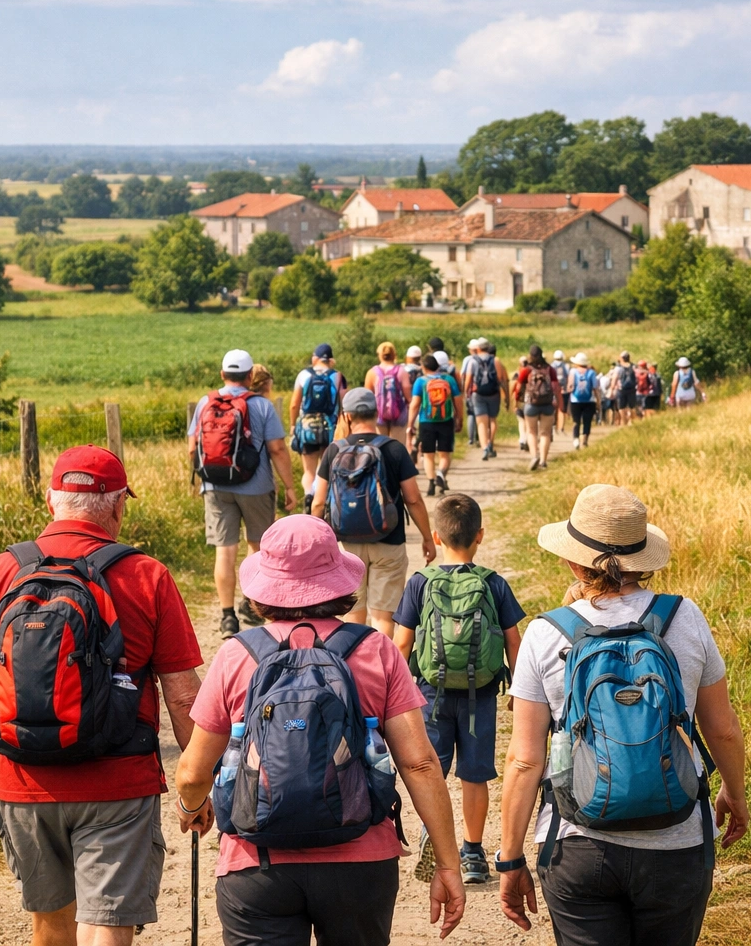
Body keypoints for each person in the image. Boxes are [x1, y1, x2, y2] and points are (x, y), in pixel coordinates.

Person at [0, 446, 205, 946]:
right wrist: (197, 788)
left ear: (51, 501)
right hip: (118, 786)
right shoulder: (147, 575)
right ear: (116, 506)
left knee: (51, 925)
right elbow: (183, 695)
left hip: (23, 782)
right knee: (105, 925)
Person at [174, 515, 467, 946]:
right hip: (360, 861)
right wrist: (448, 864)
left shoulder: (236, 656)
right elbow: (420, 763)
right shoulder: (376, 650)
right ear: (339, 582)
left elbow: (192, 772)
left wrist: (191, 805)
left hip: (256, 865)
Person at [496, 484, 750, 946]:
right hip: (677, 842)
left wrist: (510, 859)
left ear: (574, 562)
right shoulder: (685, 617)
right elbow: (723, 730)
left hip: (577, 845)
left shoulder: (545, 634)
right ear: (642, 560)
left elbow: (524, 760)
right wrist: (735, 793)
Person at [393, 493, 524, 888]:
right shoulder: (493, 584)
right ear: (480, 535)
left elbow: (401, 643)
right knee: (474, 775)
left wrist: (394, 697)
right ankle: (472, 852)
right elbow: (514, 640)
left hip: (430, 695)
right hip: (480, 696)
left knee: (428, 769)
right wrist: (518, 687)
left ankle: (435, 834)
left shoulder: (420, 582)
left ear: (435, 534)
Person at [312, 387, 437, 636]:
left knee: (352, 614)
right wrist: (426, 537)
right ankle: (380, 672)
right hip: (388, 540)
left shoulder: (334, 451)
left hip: (346, 544)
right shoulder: (394, 449)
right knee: (383, 616)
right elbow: (413, 500)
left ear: (347, 416)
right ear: (377, 412)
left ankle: (355, 670)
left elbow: (318, 502)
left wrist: (317, 544)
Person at [190, 349, 298, 635]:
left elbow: (192, 448)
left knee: (224, 551)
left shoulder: (205, 402)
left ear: (222, 374)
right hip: (256, 486)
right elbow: (276, 449)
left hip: (214, 486)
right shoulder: (261, 406)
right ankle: (252, 604)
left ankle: (227, 617)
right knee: (257, 548)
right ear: (250, 376)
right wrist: (289, 485)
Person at [290, 344, 348, 511]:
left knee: (309, 470)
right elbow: (344, 404)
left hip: (308, 428)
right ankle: (322, 501)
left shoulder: (304, 375)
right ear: (330, 360)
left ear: (315, 358)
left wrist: (293, 425)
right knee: (326, 466)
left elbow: (294, 404)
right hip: (330, 428)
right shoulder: (338, 376)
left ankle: (309, 495)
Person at [409, 352, 463, 497]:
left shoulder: (421, 382)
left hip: (426, 422)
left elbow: (415, 404)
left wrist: (410, 424)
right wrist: (459, 418)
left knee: (428, 455)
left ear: (424, 367)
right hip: (446, 421)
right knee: (445, 454)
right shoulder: (449, 380)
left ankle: (431, 482)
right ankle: (441, 474)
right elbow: (458, 400)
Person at [512, 343, 559, 471]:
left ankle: (534, 456)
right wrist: (560, 403)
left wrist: (516, 401)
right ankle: (543, 461)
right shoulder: (550, 369)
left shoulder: (527, 369)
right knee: (545, 433)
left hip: (531, 404)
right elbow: (555, 387)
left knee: (531, 431)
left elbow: (518, 386)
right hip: (547, 404)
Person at [464, 338, 509, 461]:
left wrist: (466, 393)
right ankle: (490, 442)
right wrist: (506, 395)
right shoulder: (495, 360)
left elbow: (468, 379)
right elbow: (501, 379)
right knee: (492, 420)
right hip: (493, 393)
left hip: (478, 394)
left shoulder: (472, 361)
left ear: (478, 348)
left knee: (481, 422)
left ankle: (484, 448)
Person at [364, 342, 414, 449]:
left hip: (378, 414)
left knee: (379, 445)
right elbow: (408, 395)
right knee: (398, 446)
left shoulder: (372, 372)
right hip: (399, 413)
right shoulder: (401, 371)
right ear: (394, 354)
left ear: (379, 355)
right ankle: (395, 465)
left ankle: (382, 465)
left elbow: (367, 394)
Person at [566, 352, 599, 450]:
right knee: (587, 421)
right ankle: (584, 440)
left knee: (576, 421)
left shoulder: (573, 372)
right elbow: (595, 388)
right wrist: (598, 401)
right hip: (589, 401)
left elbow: (570, 387)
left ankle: (576, 440)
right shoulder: (592, 373)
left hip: (575, 400)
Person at [612, 352, 638, 427]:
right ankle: (631, 421)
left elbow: (614, 378)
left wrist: (612, 388)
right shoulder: (633, 367)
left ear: (621, 358)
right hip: (632, 389)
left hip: (621, 389)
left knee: (621, 406)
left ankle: (623, 422)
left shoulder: (618, 368)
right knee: (632, 406)